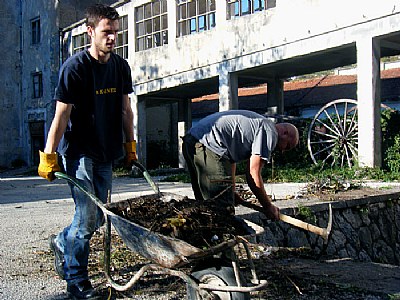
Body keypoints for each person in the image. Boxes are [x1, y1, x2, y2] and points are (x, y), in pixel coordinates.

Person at [37, 4, 136, 299]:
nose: (113, 38)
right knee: (85, 217)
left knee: (99, 216)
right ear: (90, 31)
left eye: (116, 33)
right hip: (79, 152)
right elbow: (61, 115)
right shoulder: (75, 68)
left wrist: (129, 146)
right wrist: (49, 155)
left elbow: (126, 111)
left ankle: (61, 241)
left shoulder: (120, 66)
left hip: (107, 151)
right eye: (107, 32)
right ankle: (76, 282)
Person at [182, 110, 299, 220]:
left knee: (205, 205)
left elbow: (230, 161)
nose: (283, 151)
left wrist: (232, 191)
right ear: (285, 133)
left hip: (192, 140)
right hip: (208, 144)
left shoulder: (258, 125)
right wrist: (268, 206)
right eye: (287, 146)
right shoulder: (270, 132)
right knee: (221, 209)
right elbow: (253, 174)